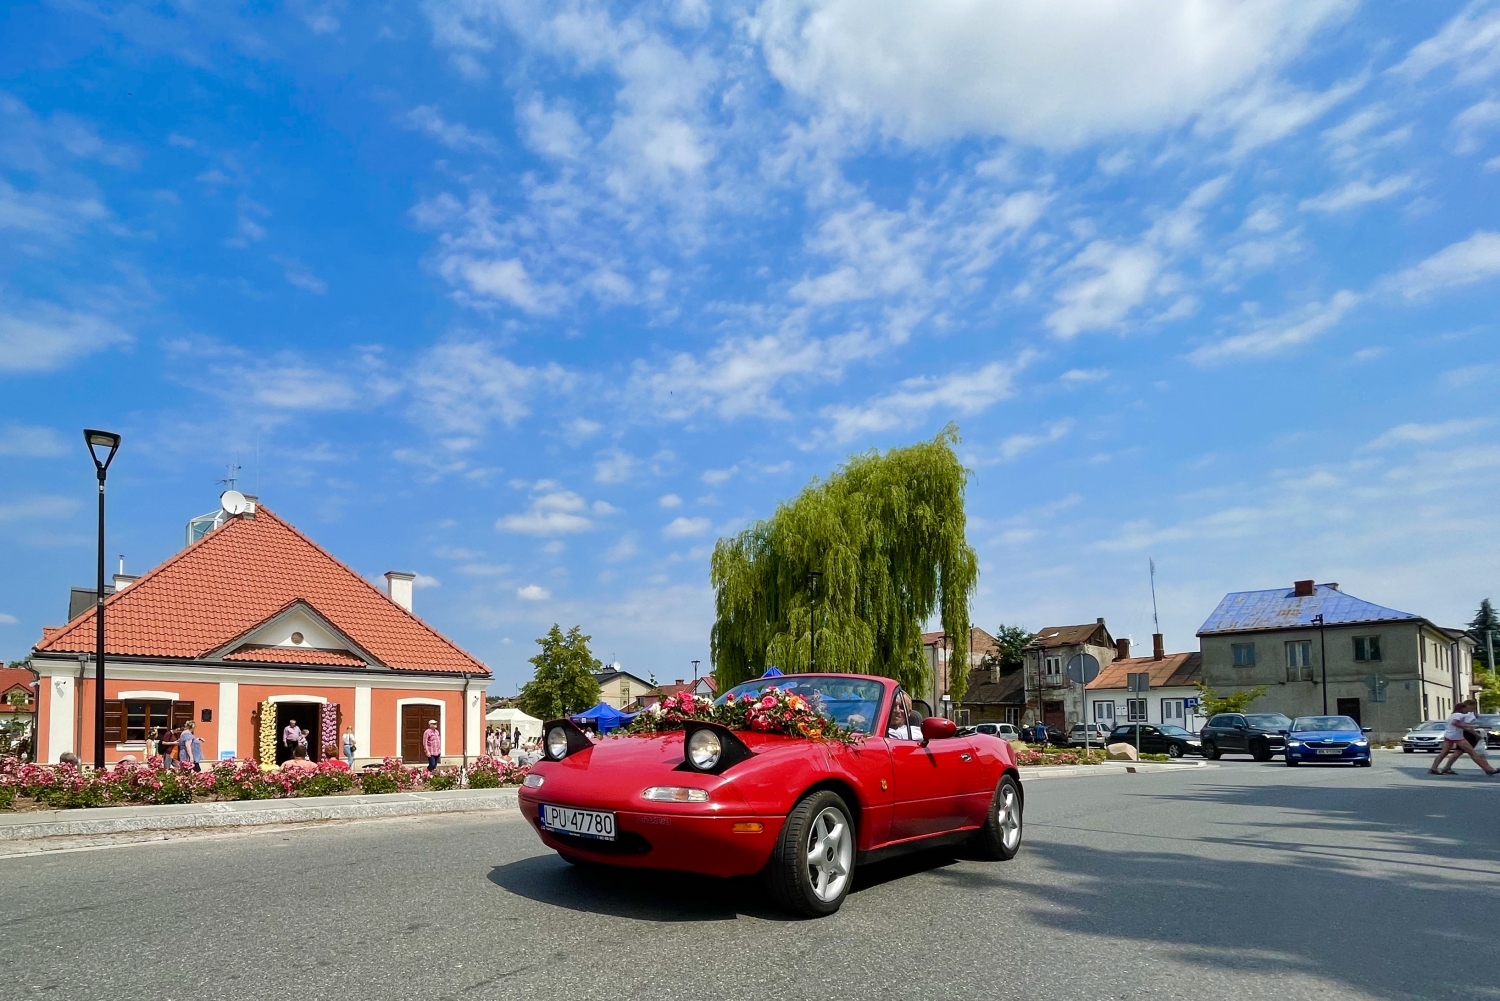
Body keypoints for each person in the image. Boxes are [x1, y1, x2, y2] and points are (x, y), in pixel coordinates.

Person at [1431, 701, 1499, 775]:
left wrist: (1468, 726)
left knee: (1444, 752)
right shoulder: (1460, 715)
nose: (1467, 710)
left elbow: (1455, 723)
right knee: (1473, 753)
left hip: (1448, 735)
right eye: (1466, 708)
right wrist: (1468, 729)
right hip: (1457, 736)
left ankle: (1434, 768)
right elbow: (1455, 723)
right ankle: (1489, 769)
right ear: (1461, 708)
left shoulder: (1453, 715)